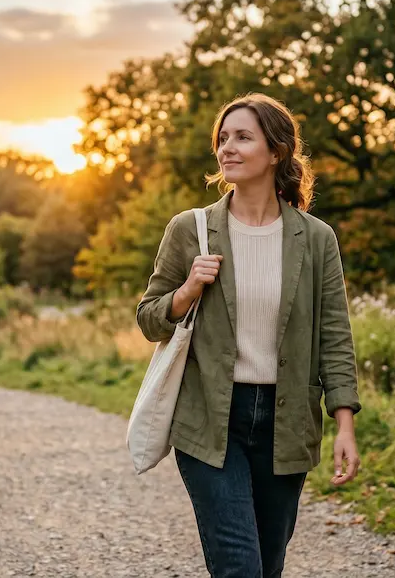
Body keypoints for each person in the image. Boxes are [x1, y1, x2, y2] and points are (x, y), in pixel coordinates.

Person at [136, 93, 363, 578]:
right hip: (209, 419)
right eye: (223, 138)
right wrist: (187, 290)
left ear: (276, 151)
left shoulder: (316, 238)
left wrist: (344, 423)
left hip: (287, 424)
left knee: (268, 564)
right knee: (240, 567)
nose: (227, 148)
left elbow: (335, 337)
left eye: (242, 137)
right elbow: (148, 318)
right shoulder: (190, 229)